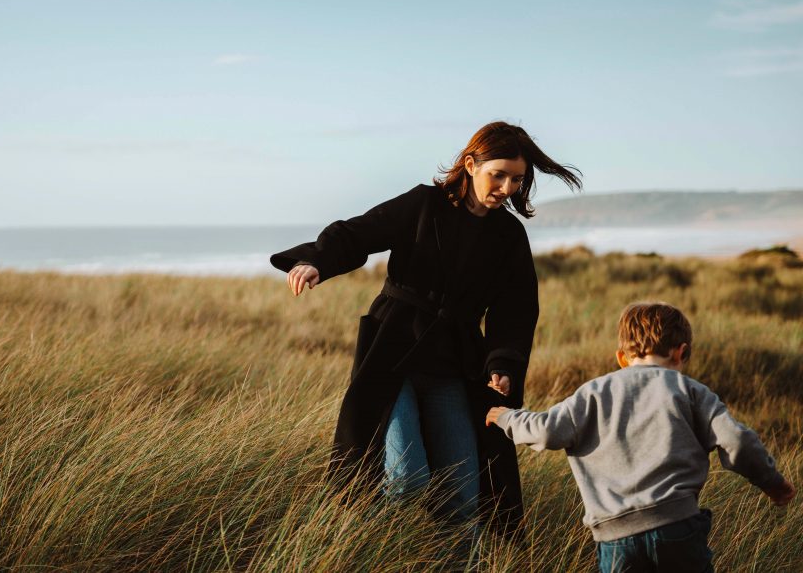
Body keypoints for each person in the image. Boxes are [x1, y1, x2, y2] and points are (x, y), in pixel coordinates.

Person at [271, 121, 582, 534]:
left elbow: (517, 309)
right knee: (407, 478)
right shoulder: (424, 205)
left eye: (518, 179)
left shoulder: (508, 236)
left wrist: (503, 361)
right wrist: (315, 261)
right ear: (471, 164)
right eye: (499, 175)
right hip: (393, 354)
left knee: (464, 495)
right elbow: (359, 233)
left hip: (453, 367)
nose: (507, 188)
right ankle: (364, 541)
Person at [486, 302, 796, 572]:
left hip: (615, 537)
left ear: (621, 357)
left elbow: (547, 431)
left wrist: (507, 417)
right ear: (682, 352)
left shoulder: (593, 393)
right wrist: (772, 483)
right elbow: (738, 441)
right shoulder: (692, 393)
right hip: (679, 527)